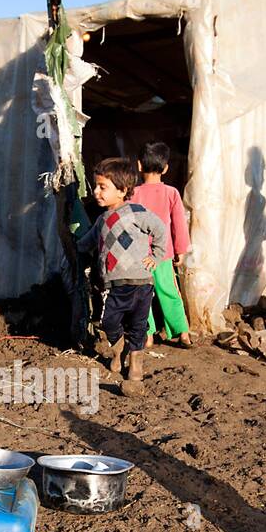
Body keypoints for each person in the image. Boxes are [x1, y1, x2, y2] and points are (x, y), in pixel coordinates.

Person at [75, 157, 167, 394]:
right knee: (108, 321)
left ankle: (135, 364)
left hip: (141, 281)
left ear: (123, 190)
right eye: (96, 186)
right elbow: (86, 244)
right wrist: (70, 242)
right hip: (113, 284)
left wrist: (156, 256)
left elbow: (159, 229)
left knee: (139, 324)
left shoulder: (137, 212)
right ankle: (119, 349)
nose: (96, 192)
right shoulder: (101, 220)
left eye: (102, 187)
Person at [131, 141, 192, 350]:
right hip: (163, 254)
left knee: (142, 297)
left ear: (139, 165)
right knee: (169, 292)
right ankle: (183, 332)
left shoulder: (133, 193)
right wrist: (181, 250)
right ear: (165, 168)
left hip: (139, 256)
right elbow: (179, 224)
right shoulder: (171, 193)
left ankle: (147, 336)